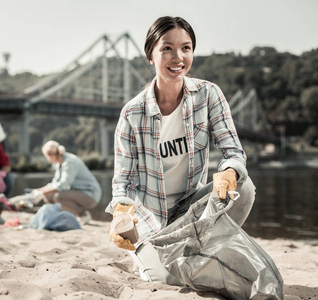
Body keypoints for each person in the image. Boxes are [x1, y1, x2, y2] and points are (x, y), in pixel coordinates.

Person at [107, 16, 256, 284]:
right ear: (151, 56)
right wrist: (121, 214)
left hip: (190, 209)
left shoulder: (209, 94)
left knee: (243, 188)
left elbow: (233, 150)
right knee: (165, 280)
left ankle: (198, 252)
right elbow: (123, 183)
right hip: (150, 220)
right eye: (167, 48)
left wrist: (230, 170)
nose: (178, 57)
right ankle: (173, 257)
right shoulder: (131, 113)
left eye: (186, 48)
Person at [30, 140, 102, 221]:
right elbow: (55, 183)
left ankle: (83, 215)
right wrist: (38, 191)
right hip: (77, 192)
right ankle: (58, 217)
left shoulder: (69, 162)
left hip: (90, 194)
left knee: (58, 196)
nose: (47, 159)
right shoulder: (59, 163)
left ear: (51, 155)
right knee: (48, 196)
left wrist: (41, 193)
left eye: (47, 156)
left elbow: (64, 184)